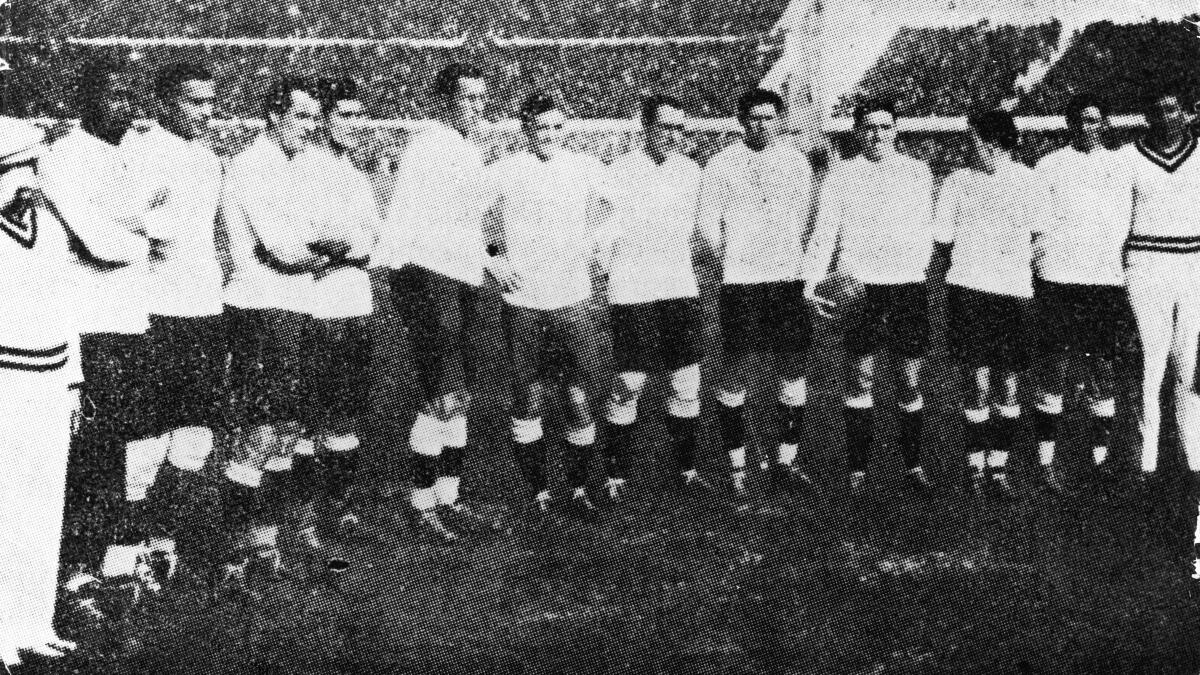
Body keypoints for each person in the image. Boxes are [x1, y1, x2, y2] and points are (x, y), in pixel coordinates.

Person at [41, 55, 161, 619]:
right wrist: (139, 237)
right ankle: (68, 574)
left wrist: (134, 229)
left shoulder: (129, 157)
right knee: (85, 452)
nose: (127, 107)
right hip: (86, 325)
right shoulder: (63, 158)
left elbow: (151, 222)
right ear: (86, 100)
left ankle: (101, 566)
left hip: (128, 319)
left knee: (116, 445)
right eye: (114, 96)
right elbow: (100, 241)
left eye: (132, 96)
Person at [216, 75, 328, 597]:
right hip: (262, 310)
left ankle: (265, 544)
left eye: (313, 117)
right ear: (273, 116)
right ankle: (235, 558)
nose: (311, 127)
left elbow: (325, 232)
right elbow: (286, 250)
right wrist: (327, 248)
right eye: (302, 116)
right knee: (259, 433)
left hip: (294, 306)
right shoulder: (251, 166)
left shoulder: (293, 167)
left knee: (285, 430)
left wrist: (321, 243)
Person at [485, 92, 614, 522]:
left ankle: (577, 489)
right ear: (526, 129)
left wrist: (597, 245)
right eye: (543, 128)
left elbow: (619, 208)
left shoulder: (583, 167)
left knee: (578, 397)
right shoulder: (505, 171)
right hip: (523, 300)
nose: (551, 136)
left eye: (558, 128)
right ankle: (538, 494)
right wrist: (494, 260)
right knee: (530, 398)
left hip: (573, 300)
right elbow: (470, 219)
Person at [119, 62, 226, 581]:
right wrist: (156, 232)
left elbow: (208, 234)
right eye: (193, 102)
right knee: (146, 433)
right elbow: (129, 224)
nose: (205, 113)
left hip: (203, 309)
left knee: (195, 432)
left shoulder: (207, 159)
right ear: (164, 104)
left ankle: (164, 538)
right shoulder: (141, 151)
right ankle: (126, 546)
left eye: (209, 102)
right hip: (155, 311)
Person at [800, 99, 937, 498]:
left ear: (896, 130)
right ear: (858, 132)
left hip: (907, 287)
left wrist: (914, 271)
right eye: (870, 128)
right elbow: (825, 231)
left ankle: (913, 466)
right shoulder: (842, 175)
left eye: (885, 127)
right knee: (861, 377)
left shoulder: (917, 172)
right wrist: (812, 282)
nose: (878, 134)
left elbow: (925, 231)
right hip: (861, 288)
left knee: (909, 381)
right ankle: (858, 470)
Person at [382, 63, 493, 542]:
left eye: (480, 99)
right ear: (445, 102)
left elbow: (468, 220)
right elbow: (408, 223)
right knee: (440, 395)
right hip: (430, 280)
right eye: (465, 99)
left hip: (463, 277)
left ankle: (449, 497)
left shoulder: (466, 149)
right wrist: (409, 286)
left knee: (461, 395)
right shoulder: (428, 147)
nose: (474, 108)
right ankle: (421, 502)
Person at [697, 88, 817, 497]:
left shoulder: (796, 161)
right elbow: (707, 227)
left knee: (793, 371)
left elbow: (803, 219)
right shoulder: (720, 164)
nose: (761, 124)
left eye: (769, 118)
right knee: (737, 372)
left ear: (780, 120)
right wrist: (734, 263)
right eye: (754, 118)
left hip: (786, 281)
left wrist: (787, 261)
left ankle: (785, 461)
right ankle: (737, 467)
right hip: (741, 283)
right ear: (741, 121)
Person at [0, 115, 82, 668]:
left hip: (50, 380)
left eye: (33, 165)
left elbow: (65, 302)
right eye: (18, 166)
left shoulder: (51, 224)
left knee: (42, 501)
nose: (28, 179)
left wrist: (75, 379)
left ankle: (34, 621)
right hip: (6, 378)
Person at [599, 94, 709, 502]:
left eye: (680, 128)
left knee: (686, 381)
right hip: (632, 289)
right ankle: (616, 475)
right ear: (646, 128)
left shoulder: (692, 172)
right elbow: (602, 229)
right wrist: (608, 267)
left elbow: (700, 230)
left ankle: (687, 470)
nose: (674, 135)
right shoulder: (621, 171)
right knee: (630, 383)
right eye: (666, 127)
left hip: (679, 287)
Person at [934, 109, 1048, 499]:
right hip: (968, 289)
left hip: (1013, 294)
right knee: (977, 381)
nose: (970, 146)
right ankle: (974, 466)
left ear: (995, 142)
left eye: (976, 140)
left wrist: (1013, 265)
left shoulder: (1029, 181)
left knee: (1010, 383)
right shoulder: (956, 181)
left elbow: (1039, 236)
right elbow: (944, 238)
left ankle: (998, 468)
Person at [290, 76, 377, 566]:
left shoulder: (358, 175)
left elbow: (370, 240)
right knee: (306, 419)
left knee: (346, 416)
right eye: (345, 115)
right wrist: (347, 244)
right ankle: (300, 520)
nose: (355, 124)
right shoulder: (304, 168)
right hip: (315, 307)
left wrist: (346, 245)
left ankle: (340, 509)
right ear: (322, 119)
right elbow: (316, 235)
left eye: (359, 115)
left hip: (354, 304)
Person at [1030, 94, 1133, 495]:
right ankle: (1045, 460)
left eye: (1095, 120)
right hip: (1058, 279)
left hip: (1105, 282)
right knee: (1054, 368)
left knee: (1102, 371)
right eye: (1080, 121)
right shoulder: (1050, 165)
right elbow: (1037, 226)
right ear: (1069, 125)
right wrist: (1039, 272)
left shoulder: (1120, 166)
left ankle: (1099, 459)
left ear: (1104, 125)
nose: (1088, 127)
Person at [1116, 87, 1200, 579]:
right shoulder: (1129, 157)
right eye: (1156, 108)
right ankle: (1146, 468)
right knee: (1149, 372)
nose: (1165, 116)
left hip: (1193, 264)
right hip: (1144, 263)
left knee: (1189, 376)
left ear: (1187, 111)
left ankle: (1193, 464)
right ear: (1145, 114)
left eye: (1173, 107)